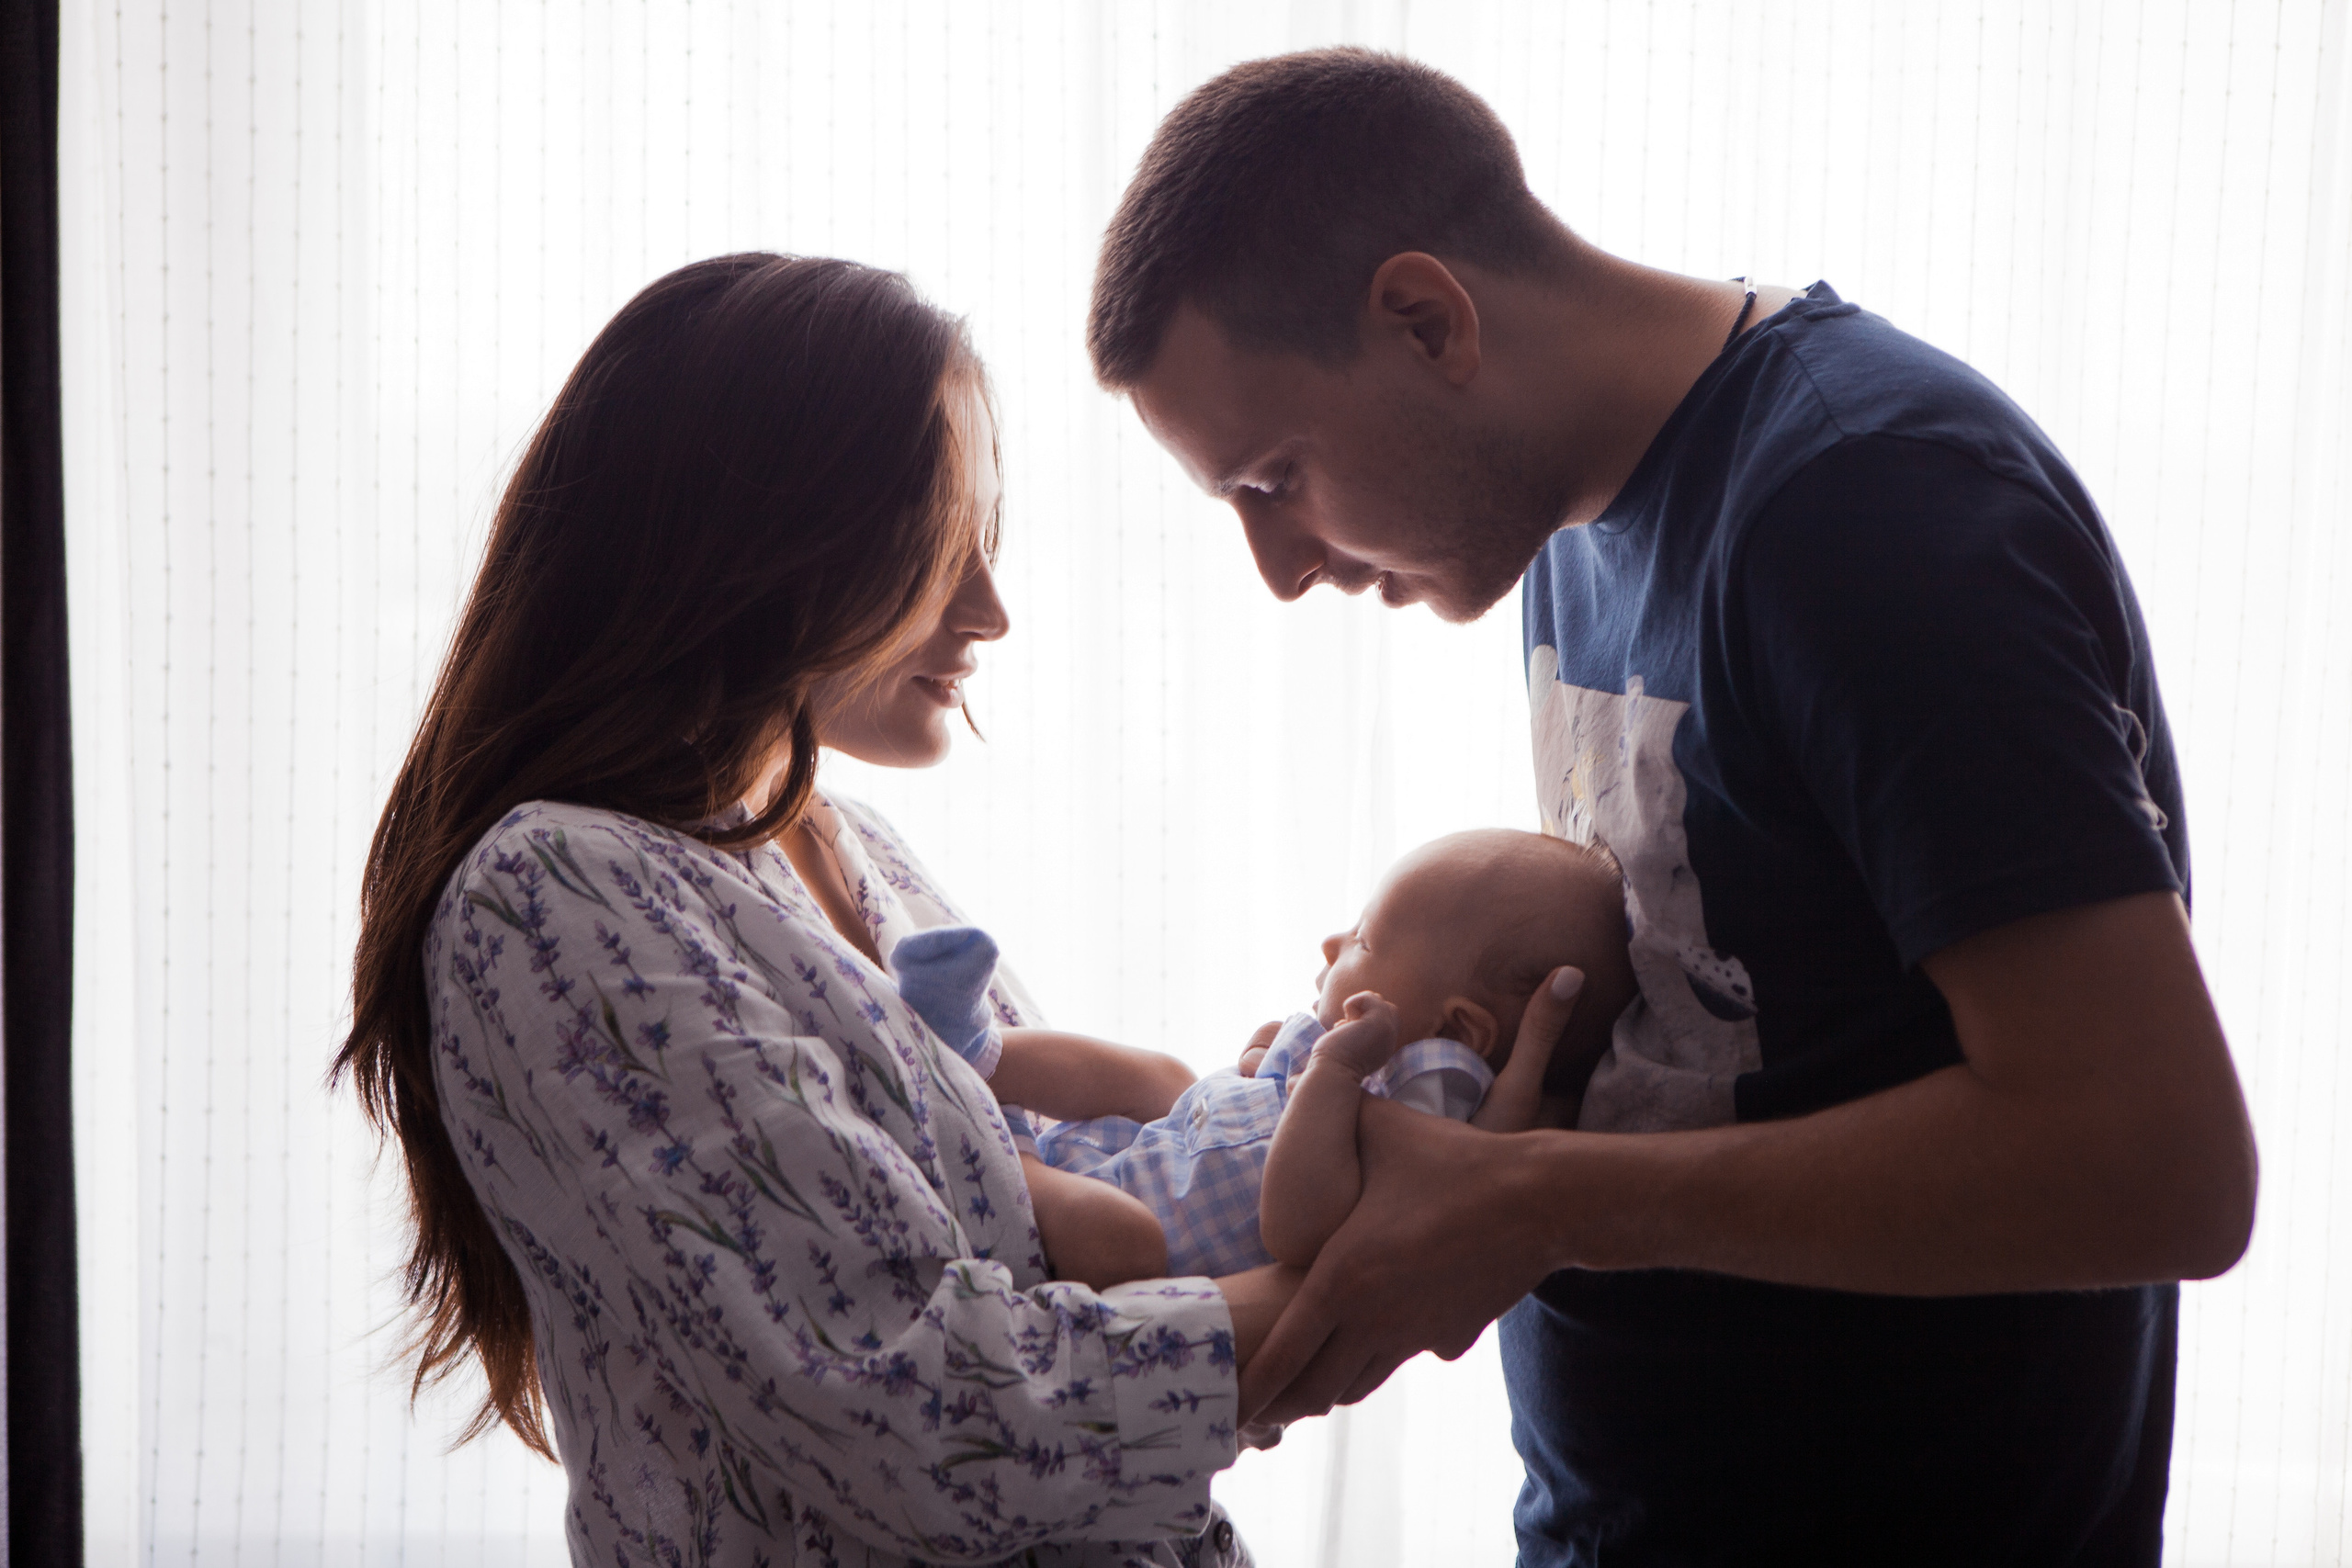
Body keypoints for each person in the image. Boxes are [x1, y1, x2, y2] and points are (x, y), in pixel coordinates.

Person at [1085, 48, 2257, 1566]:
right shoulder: (1566, 525)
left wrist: (1540, 1204)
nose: (1283, 568)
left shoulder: (1872, 505)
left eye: (1275, 478)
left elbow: (2158, 1161)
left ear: (1428, 318)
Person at [335, 254, 1276, 1568]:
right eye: (941, 543)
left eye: (988, 542)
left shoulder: (856, 852)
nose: (990, 610)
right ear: (756, 541)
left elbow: (1062, 1233)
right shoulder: (554, 890)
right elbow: (931, 1421)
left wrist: (1259, 1127)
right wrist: (1373, 1280)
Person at [889, 829, 1638, 1283]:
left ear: (1463, 1033)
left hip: (1105, 1238)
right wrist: (1267, 1067)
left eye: (1366, 939)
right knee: (1165, 1077)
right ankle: (977, 1049)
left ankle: (1005, 1158)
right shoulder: (1378, 1059)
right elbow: (1256, 1101)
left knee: (1125, 1240)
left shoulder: (1430, 1129)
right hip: (1148, 1156)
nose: (1333, 944)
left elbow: (1296, 1225)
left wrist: (1332, 1073)